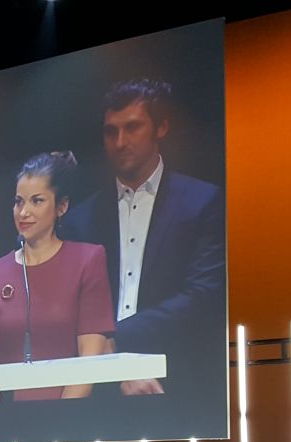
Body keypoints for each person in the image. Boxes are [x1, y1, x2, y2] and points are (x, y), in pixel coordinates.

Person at [64, 78, 225, 400]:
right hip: (96, 385)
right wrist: (111, 361)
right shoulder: (80, 218)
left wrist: (117, 338)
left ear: (161, 127)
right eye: (111, 131)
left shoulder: (202, 201)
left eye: (133, 127)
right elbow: (70, 308)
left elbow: (204, 296)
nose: (120, 141)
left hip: (178, 378)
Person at [0, 151, 115, 401]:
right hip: (9, 427)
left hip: (69, 424)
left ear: (62, 206)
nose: (23, 212)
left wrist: (57, 422)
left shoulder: (87, 261)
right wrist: (2, 419)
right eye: (18, 202)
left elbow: (90, 359)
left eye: (36, 201)